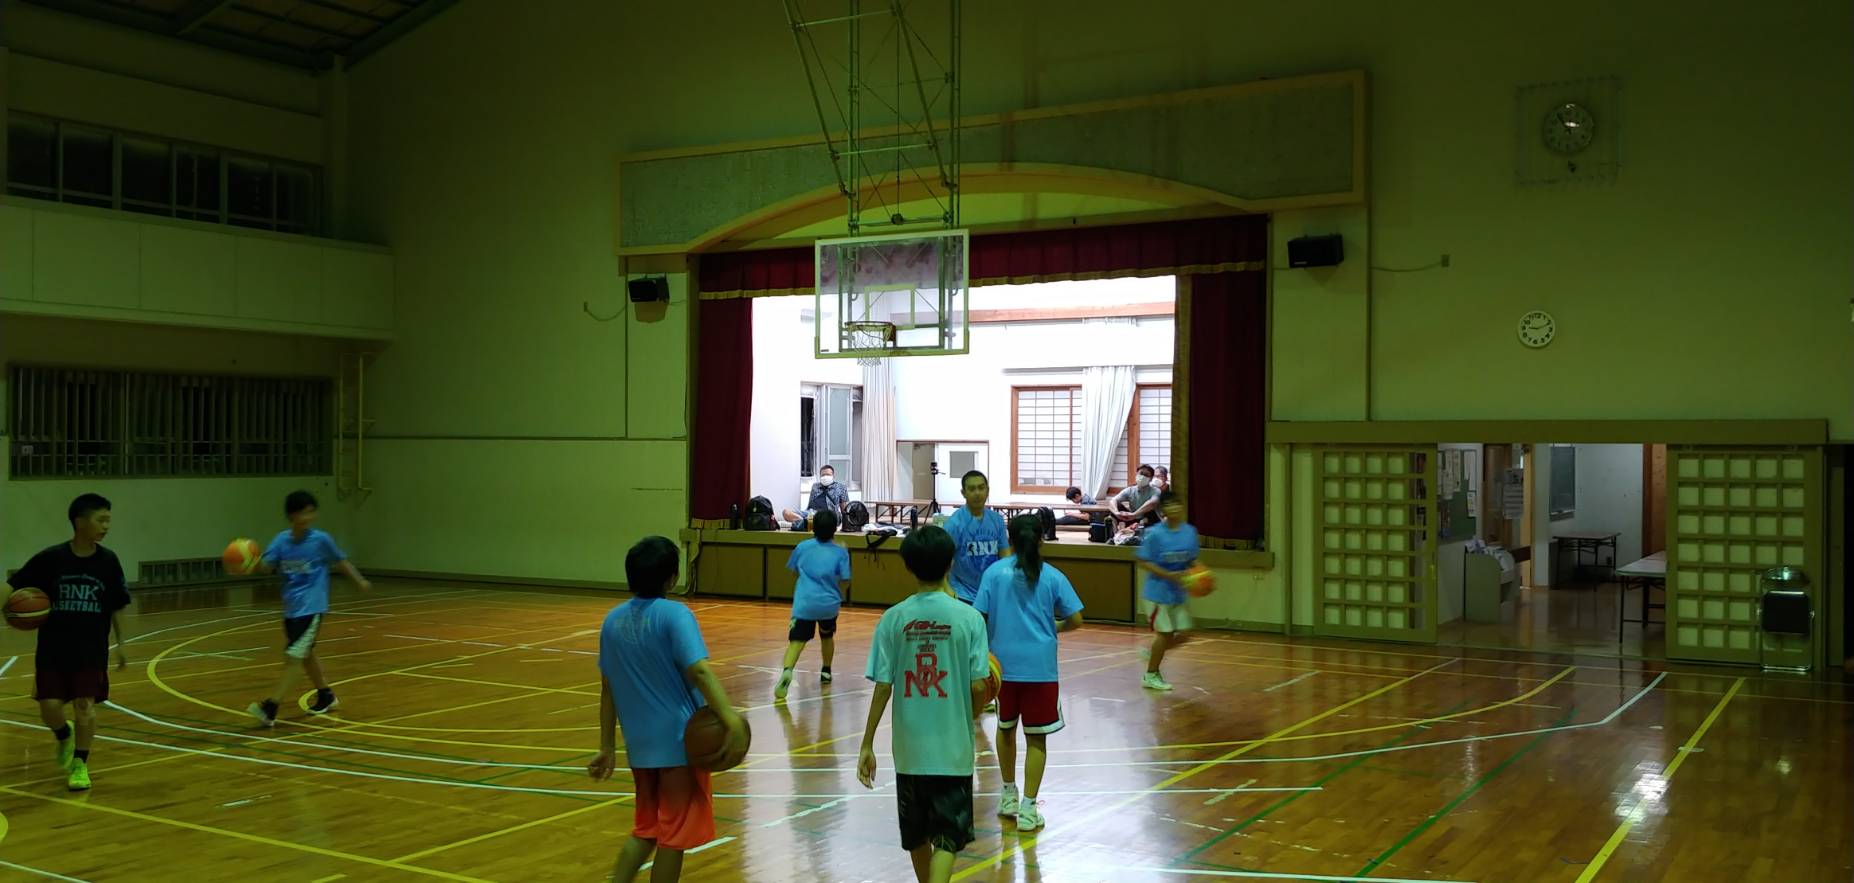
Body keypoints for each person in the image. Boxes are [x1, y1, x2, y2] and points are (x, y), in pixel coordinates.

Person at [589, 536, 748, 882]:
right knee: (673, 838)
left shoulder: (611, 621)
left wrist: (607, 746)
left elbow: (607, 688)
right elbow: (700, 670)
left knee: (646, 830)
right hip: (678, 744)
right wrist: (730, 718)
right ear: (672, 578)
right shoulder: (675, 615)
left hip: (640, 748)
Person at [857, 525, 990, 883]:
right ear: (951, 563)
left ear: (908, 567)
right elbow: (979, 684)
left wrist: (867, 743)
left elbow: (883, 686)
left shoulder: (893, 618)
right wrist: (972, 713)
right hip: (952, 749)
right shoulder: (969, 618)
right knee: (948, 836)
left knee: (916, 835)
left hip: (909, 749)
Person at [3, 493, 130, 792]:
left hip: (91, 650)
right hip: (53, 649)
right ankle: (63, 734)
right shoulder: (52, 558)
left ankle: (80, 764)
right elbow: (11, 586)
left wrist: (122, 643)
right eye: (101, 519)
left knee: (85, 705)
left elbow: (117, 605)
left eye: (108, 520)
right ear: (80, 521)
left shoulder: (109, 561)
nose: (106, 526)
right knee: (49, 708)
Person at [973, 515, 1084, 832]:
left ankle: (1008, 795)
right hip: (1040, 670)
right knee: (1036, 738)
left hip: (1001, 669)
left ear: (1009, 540)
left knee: (1005, 728)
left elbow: (978, 616)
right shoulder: (1052, 576)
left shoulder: (994, 573)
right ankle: (1028, 809)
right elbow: (1076, 618)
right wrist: (1054, 626)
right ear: (1041, 540)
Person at [245, 490, 371, 727]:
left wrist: (359, 580)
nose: (309, 517)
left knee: (294, 657)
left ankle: (271, 707)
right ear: (292, 515)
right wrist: (248, 561)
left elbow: (341, 561)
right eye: (304, 512)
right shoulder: (281, 541)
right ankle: (326, 695)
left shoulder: (320, 540)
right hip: (291, 609)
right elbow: (266, 567)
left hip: (312, 607)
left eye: (312, 512)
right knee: (306, 654)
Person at [777, 509, 851, 699]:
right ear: (835, 529)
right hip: (828, 605)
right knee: (827, 636)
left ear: (813, 527)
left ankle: (787, 671)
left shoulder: (802, 547)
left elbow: (793, 571)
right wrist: (839, 593)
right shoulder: (840, 552)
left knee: (796, 642)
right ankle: (826, 671)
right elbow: (845, 579)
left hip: (805, 604)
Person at [1136, 490, 1198, 691]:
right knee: (1164, 633)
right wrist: (1168, 574)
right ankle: (1151, 675)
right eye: (1169, 505)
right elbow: (1143, 561)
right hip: (1156, 594)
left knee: (1186, 632)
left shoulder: (1189, 532)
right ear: (1162, 510)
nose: (1174, 508)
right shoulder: (1155, 534)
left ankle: (1154, 651)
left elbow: (1192, 560)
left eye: (1177, 503)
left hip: (1178, 593)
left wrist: (1201, 576)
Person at [941, 470, 1008, 605]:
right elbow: (942, 560)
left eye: (981, 488)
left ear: (987, 490)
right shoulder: (954, 524)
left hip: (991, 592)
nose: (977, 493)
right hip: (962, 593)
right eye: (972, 489)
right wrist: (947, 589)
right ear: (963, 493)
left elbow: (1005, 554)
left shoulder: (997, 520)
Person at [782, 464, 850, 527]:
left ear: (833, 476)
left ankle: (805, 523)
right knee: (786, 512)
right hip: (811, 513)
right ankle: (805, 523)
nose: (825, 477)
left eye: (828, 475)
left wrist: (846, 524)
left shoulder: (841, 487)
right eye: (823, 475)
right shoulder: (815, 486)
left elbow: (844, 510)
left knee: (820, 520)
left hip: (828, 515)